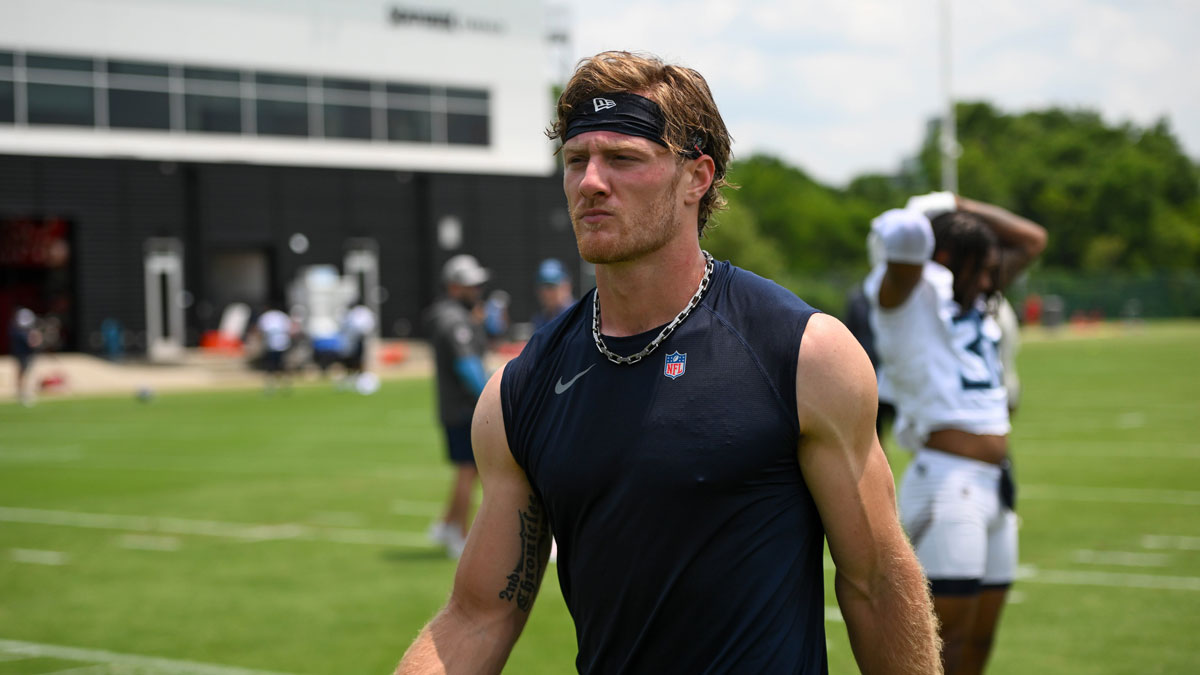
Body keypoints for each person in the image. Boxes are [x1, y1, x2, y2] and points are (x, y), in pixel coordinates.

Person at [397, 50, 940, 674]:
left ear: (696, 178)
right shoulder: (520, 392)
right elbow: (478, 615)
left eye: (624, 158)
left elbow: (876, 582)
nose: (591, 182)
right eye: (577, 161)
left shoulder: (802, 355)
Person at [863, 194, 1047, 674]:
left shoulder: (973, 296)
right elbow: (901, 233)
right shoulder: (907, 296)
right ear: (944, 258)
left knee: (980, 640)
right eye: (981, 268)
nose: (990, 280)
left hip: (996, 486)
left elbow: (1033, 238)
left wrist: (960, 203)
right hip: (948, 483)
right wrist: (934, 207)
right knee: (943, 642)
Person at [423, 254, 491, 559]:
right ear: (453, 287)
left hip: (458, 406)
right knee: (468, 469)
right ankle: (459, 536)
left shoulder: (454, 316)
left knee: (468, 469)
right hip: (464, 407)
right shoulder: (454, 320)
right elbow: (467, 366)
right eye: (469, 284)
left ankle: (447, 525)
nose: (476, 289)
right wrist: (493, 395)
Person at [255, 303, 296, 394]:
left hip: (272, 345)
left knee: (272, 366)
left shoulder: (266, 317)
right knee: (282, 365)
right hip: (282, 344)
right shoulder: (282, 316)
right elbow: (291, 329)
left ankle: (272, 386)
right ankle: (285, 385)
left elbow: (260, 331)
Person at [530, 257, 574, 332]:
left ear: (566, 286)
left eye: (550, 286)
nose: (545, 293)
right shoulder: (539, 320)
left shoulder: (579, 315)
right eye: (541, 287)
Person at [9, 307, 42, 407]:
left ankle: (25, 393)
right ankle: (22, 394)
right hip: (23, 355)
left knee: (25, 374)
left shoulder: (19, 330)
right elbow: (32, 343)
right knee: (23, 375)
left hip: (25, 354)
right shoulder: (18, 332)